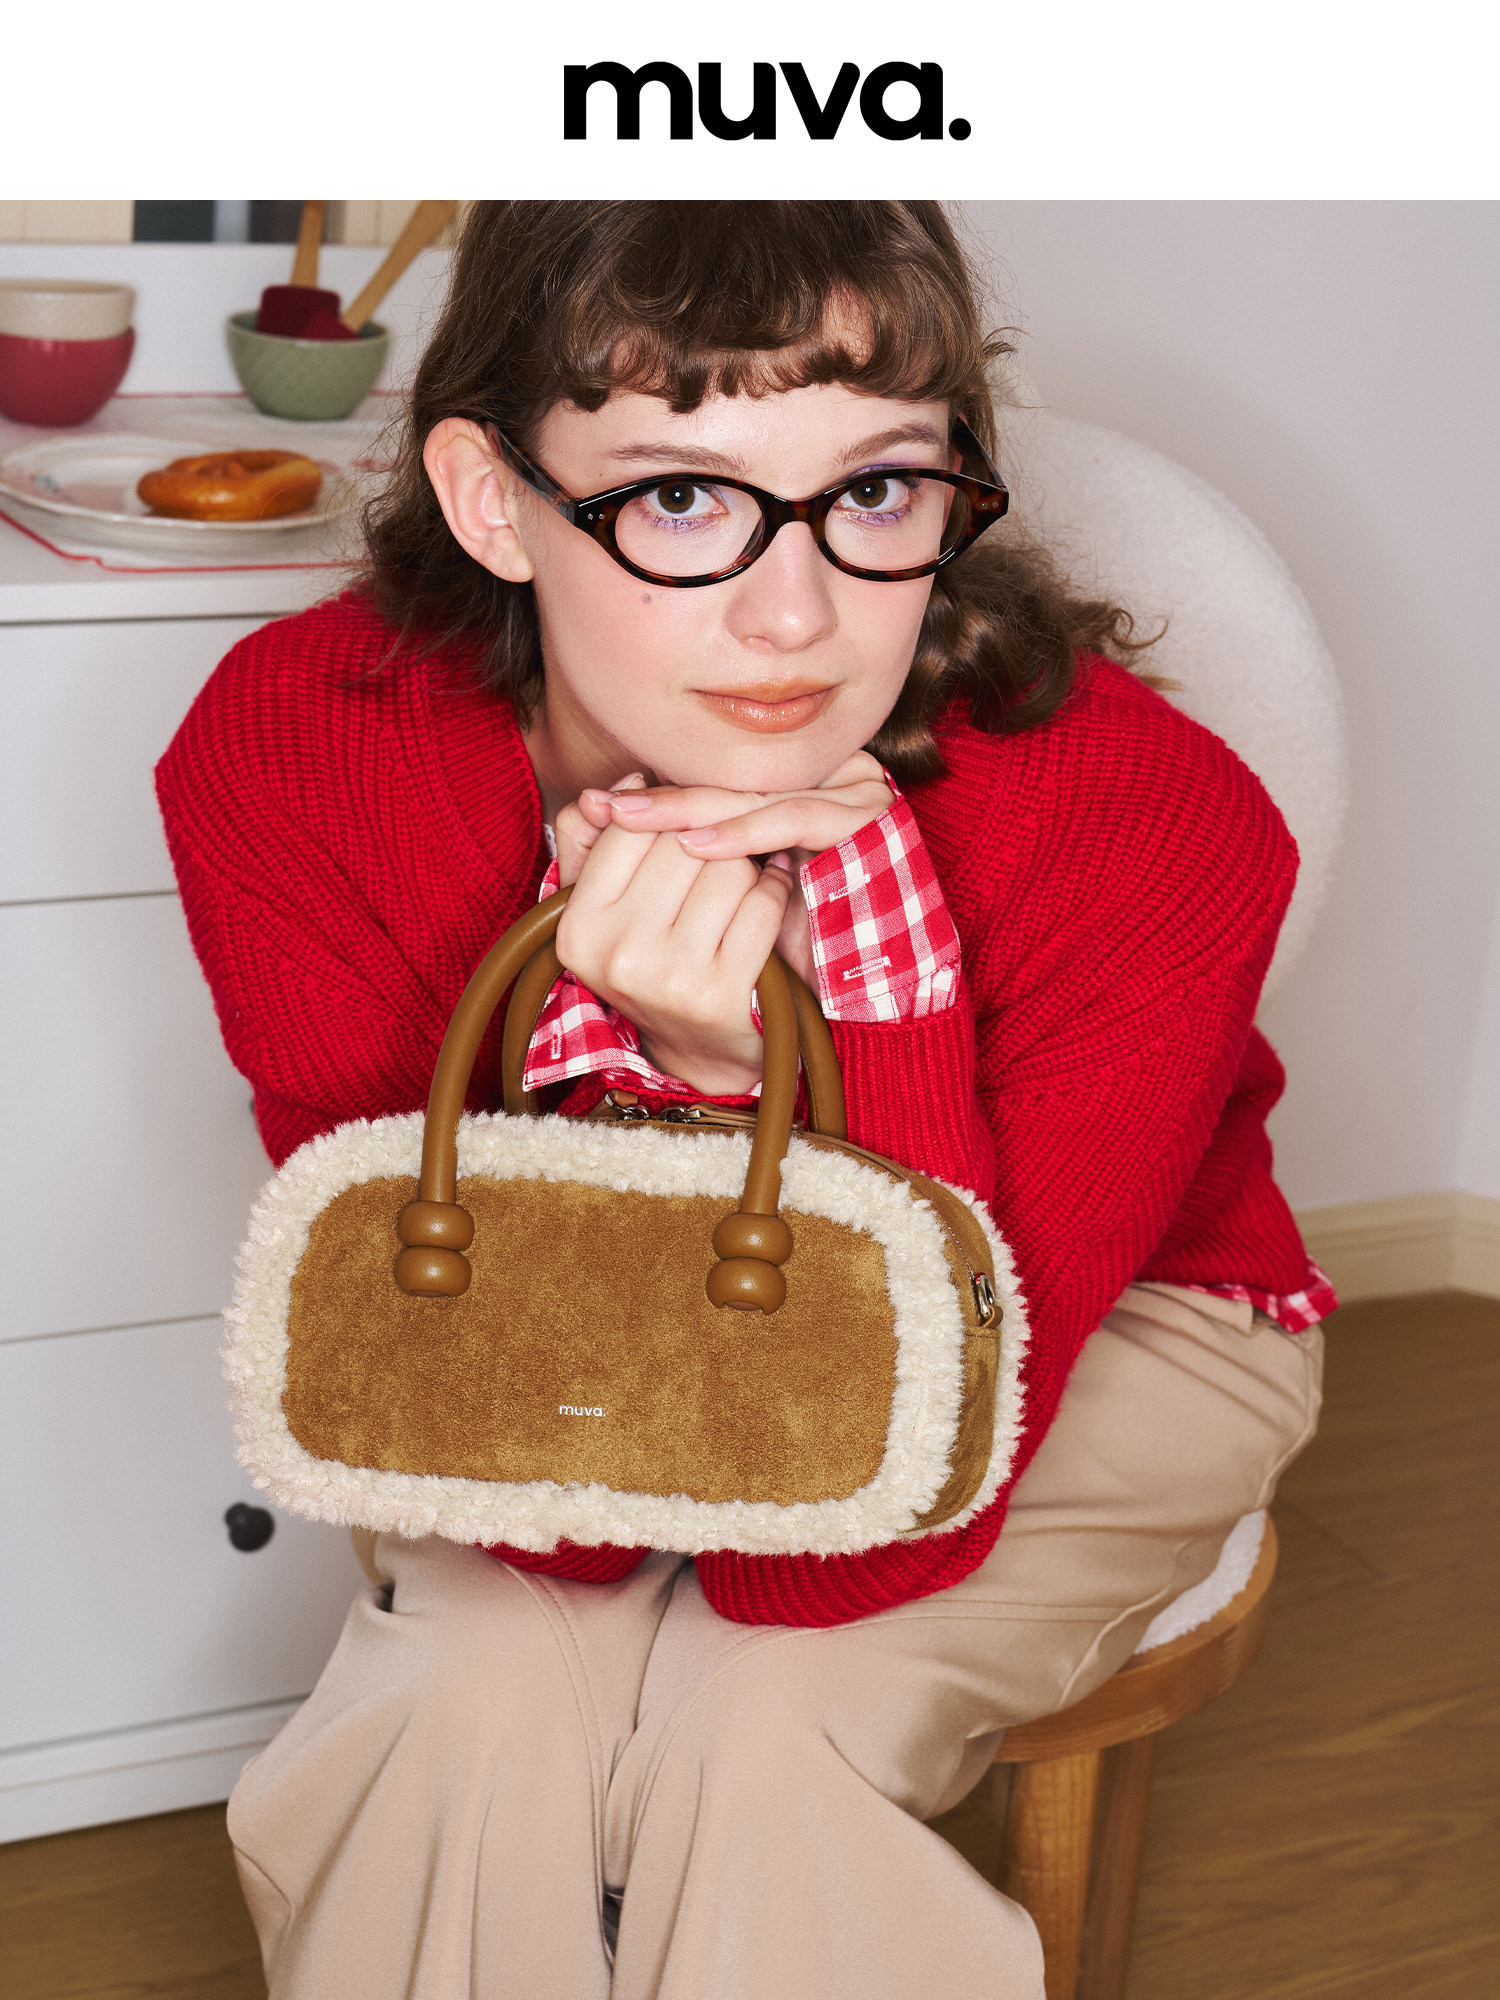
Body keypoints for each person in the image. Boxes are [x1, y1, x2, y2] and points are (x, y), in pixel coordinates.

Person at [155, 201, 1329, 1999]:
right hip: (541, 1337)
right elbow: (533, 1495)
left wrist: (777, 1066)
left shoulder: (1155, 823)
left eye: (878, 491)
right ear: (492, 499)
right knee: (466, 1702)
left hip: (1122, 1318)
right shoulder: (294, 754)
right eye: (682, 499)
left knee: (763, 1727)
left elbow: (834, 1559)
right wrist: (658, 1109)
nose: (799, 616)